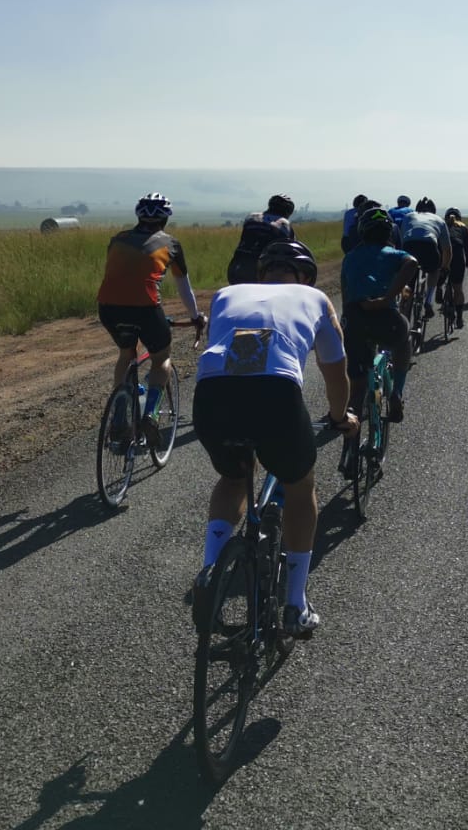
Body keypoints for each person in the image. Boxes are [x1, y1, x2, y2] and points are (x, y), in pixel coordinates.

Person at [192, 240, 356, 638]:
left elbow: (239, 350)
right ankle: (295, 605)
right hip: (276, 395)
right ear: (306, 276)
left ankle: (210, 571)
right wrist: (339, 417)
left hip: (212, 391)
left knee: (233, 479)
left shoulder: (228, 294)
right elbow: (335, 372)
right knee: (300, 488)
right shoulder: (315, 298)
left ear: (261, 275)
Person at [96, 193, 207, 451]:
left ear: (138, 216)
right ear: (165, 218)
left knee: (126, 353)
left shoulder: (117, 240)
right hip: (145, 309)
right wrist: (195, 317)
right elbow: (184, 289)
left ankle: (120, 418)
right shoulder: (171, 244)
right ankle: (151, 416)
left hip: (108, 308)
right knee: (161, 359)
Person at [339, 206, 417, 425]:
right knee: (404, 338)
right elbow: (412, 263)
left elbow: (345, 295)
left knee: (357, 382)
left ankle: (352, 414)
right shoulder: (394, 254)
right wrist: (387, 297)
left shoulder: (350, 257)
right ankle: (397, 393)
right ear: (389, 232)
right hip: (387, 319)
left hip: (354, 320)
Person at [226, 193, 296, 286]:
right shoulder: (284, 224)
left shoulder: (251, 217)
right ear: (288, 211)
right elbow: (293, 249)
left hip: (235, 268)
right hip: (261, 273)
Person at [400, 199, 452, 323]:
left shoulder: (408, 216)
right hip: (429, 247)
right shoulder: (439, 220)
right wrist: (445, 267)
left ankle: (404, 306)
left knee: (408, 281)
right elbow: (447, 249)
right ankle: (429, 300)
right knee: (435, 270)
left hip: (409, 247)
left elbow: (402, 240)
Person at [443, 207, 468, 328]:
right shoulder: (464, 227)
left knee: (438, 280)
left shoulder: (441, 226)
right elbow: (467, 249)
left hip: (443, 256)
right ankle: (459, 318)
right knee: (458, 289)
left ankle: (439, 291)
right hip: (458, 258)